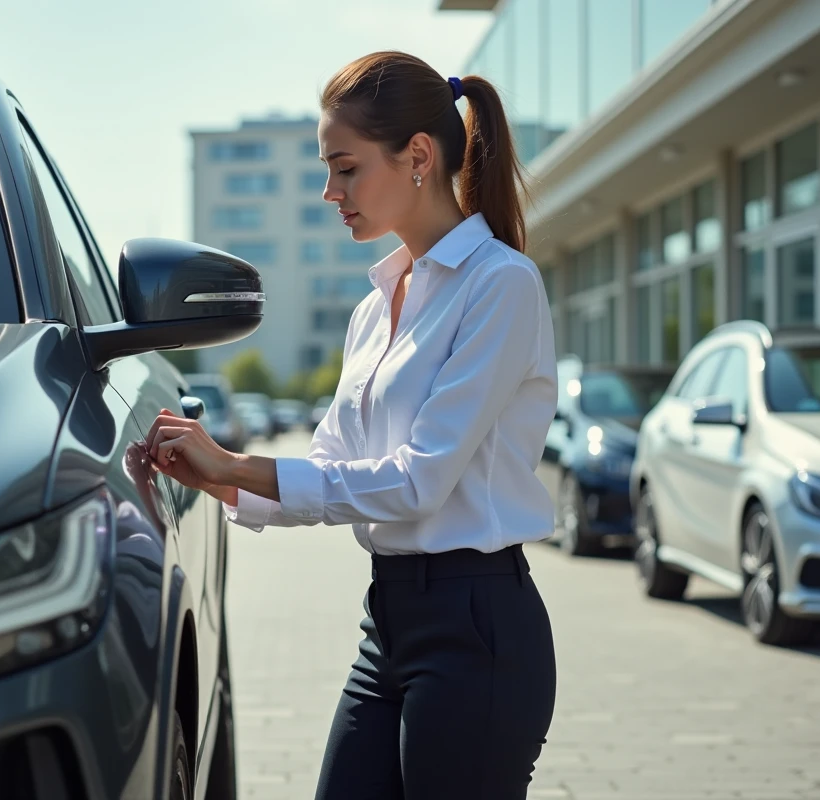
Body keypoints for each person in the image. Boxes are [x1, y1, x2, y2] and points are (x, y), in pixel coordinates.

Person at [146, 50, 558, 800]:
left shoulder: (501, 286)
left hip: (478, 627)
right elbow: (332, 461)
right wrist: (211, 475)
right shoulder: (375, 306)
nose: (329, 192)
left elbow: (415, 483)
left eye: (344, 168)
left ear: (419, 157)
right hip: (389, 625)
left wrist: (237, 467)